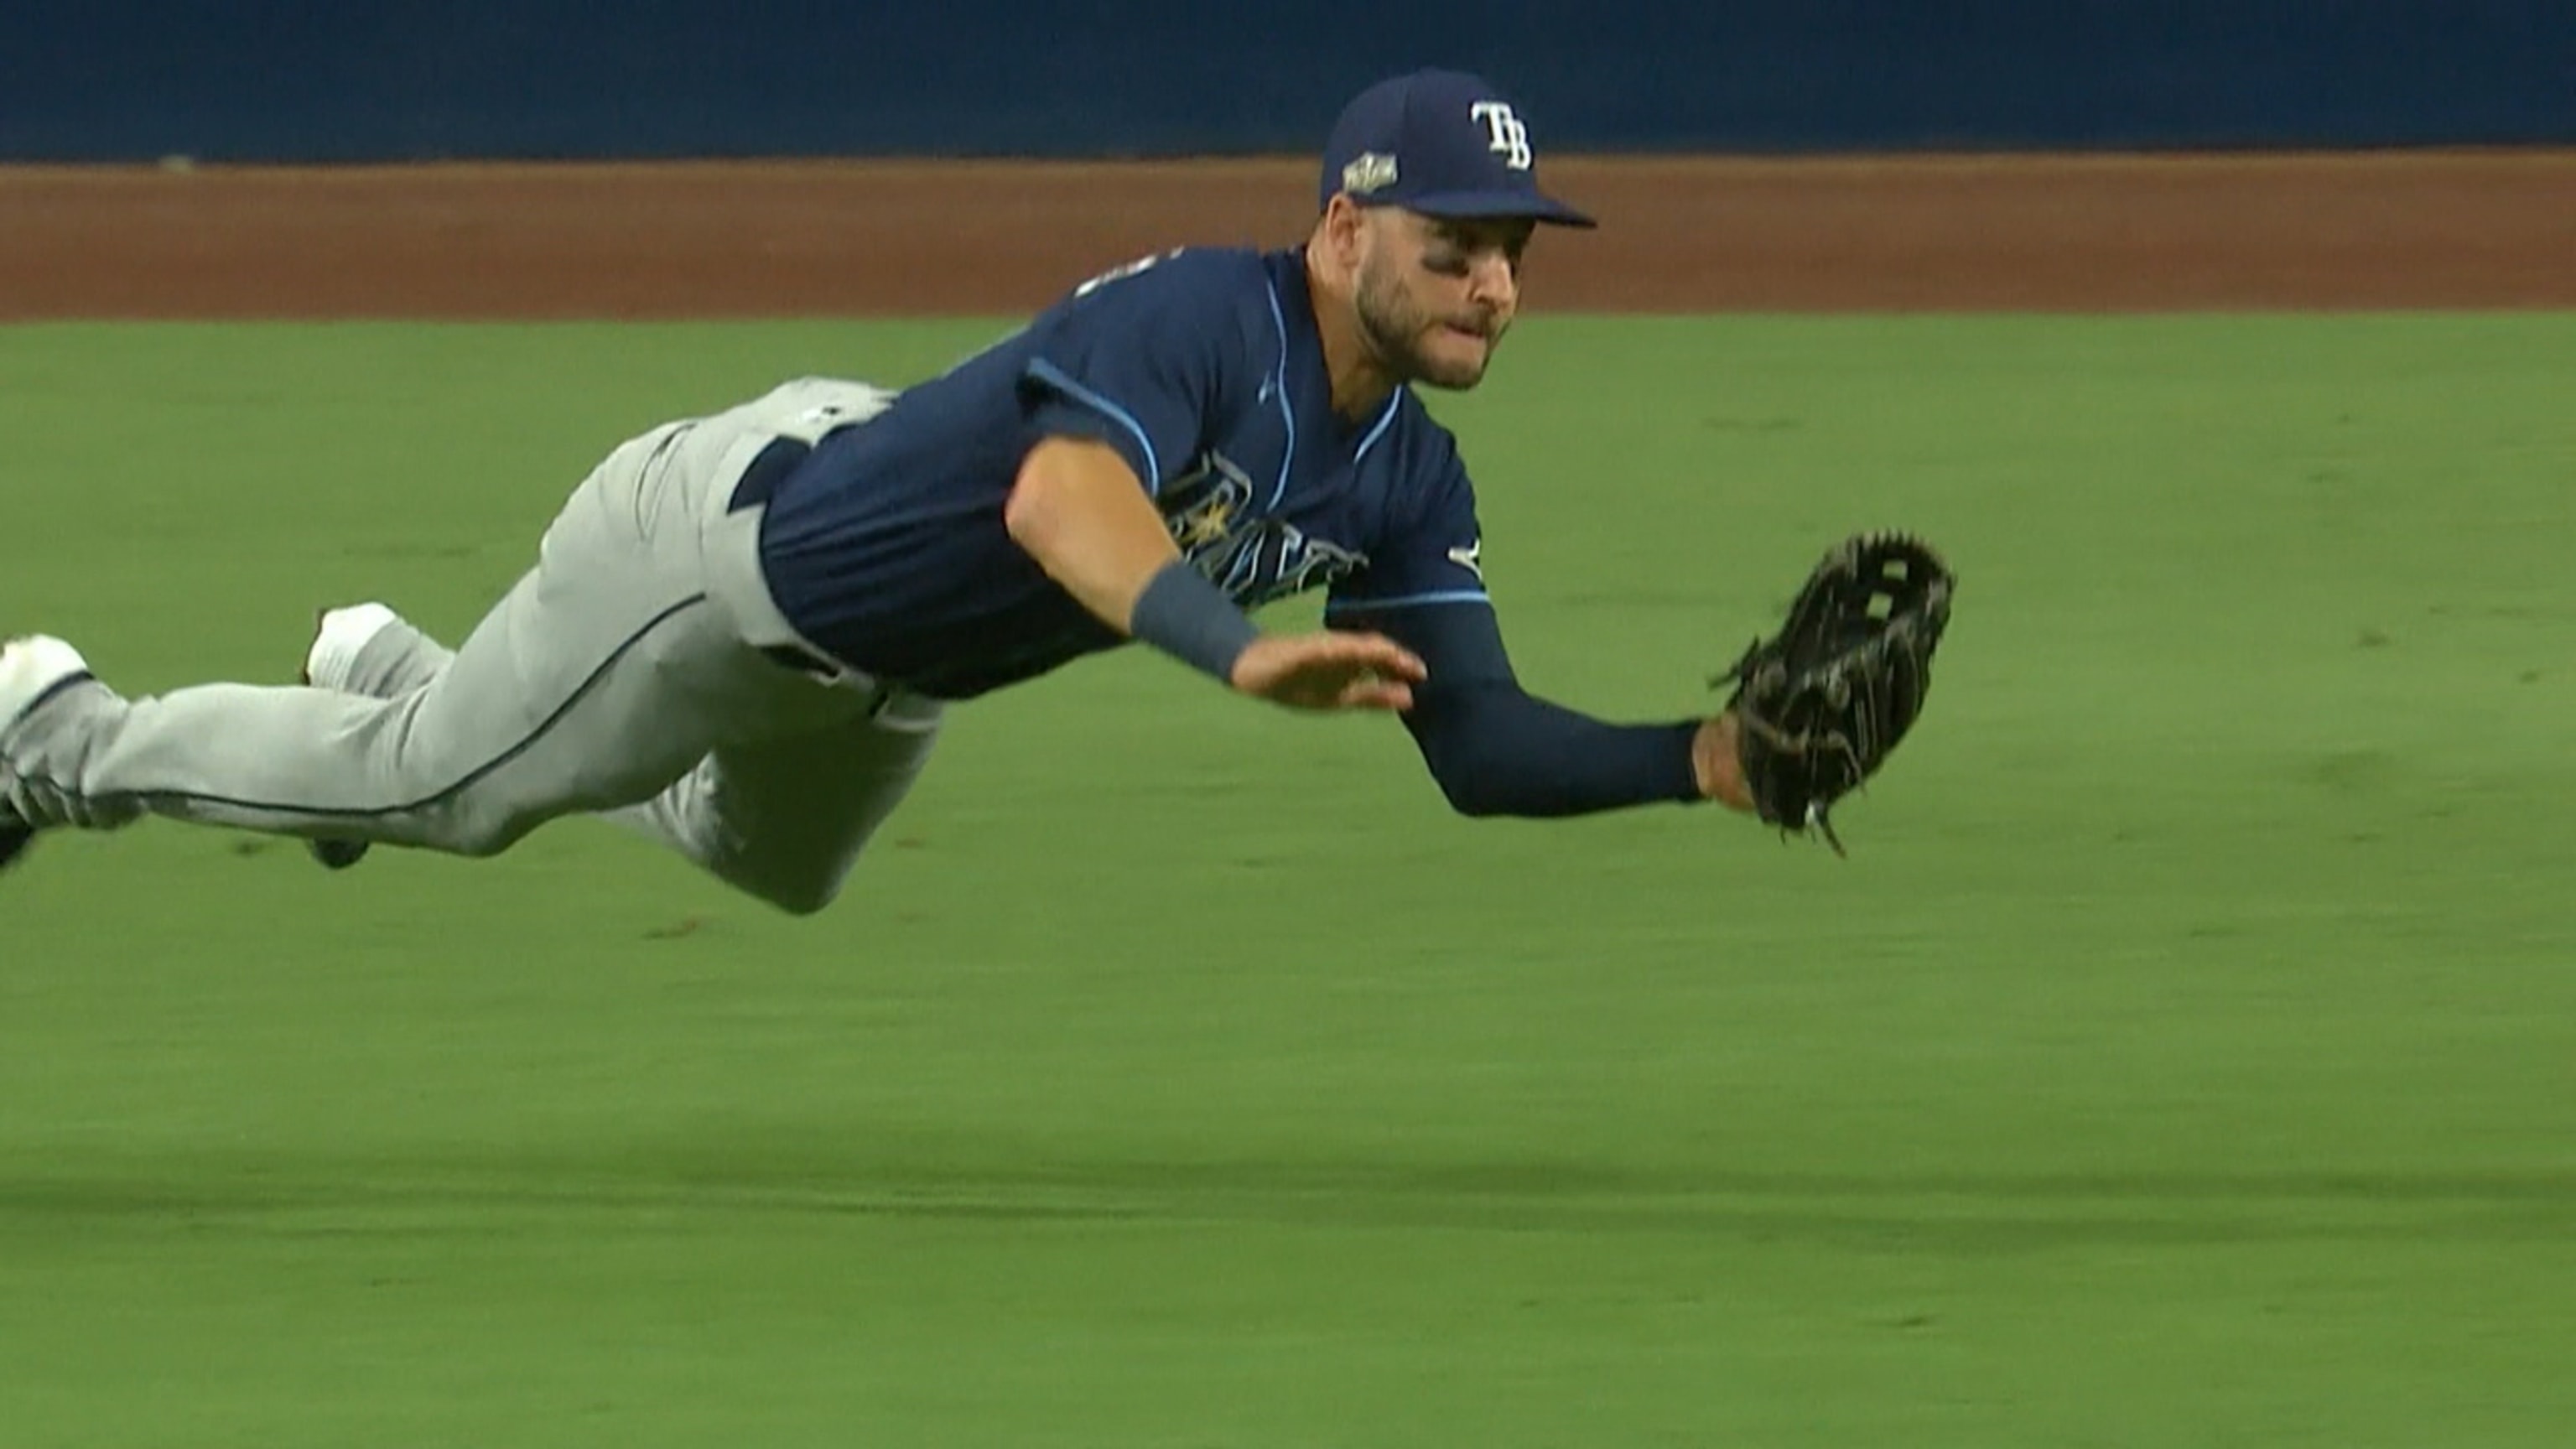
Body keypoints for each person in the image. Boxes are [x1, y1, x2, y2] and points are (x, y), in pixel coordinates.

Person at [0, 69, 1756, 911]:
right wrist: (1234, 657)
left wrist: (1704, 762)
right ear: (1345, 228)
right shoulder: (1203, 320)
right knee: (436, 800)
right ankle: (54, 728)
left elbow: (1479, 742)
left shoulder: (1405, 473)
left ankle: (417, 674)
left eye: (1516, 256)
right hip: (729, 560)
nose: (1495, 288)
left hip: (881, 650)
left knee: (765, 866)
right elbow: (1063, 506)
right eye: (1457, 247)